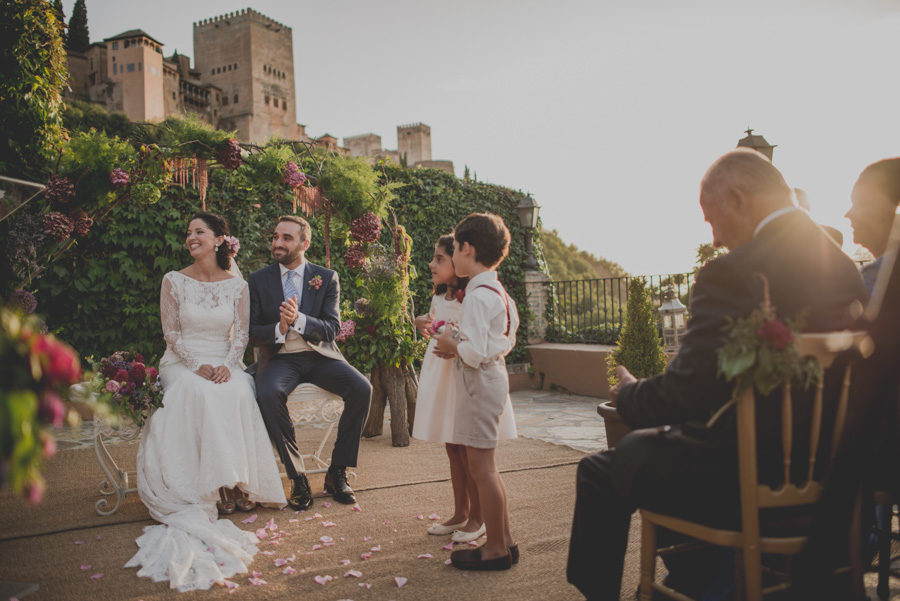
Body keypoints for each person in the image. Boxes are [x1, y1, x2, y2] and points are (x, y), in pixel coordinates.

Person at [566, 149, 868, 600]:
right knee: (661, 449)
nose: (715, 235)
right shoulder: (845, 268)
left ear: (738, 198)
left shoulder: (731, 273)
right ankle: (701, 582)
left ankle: (652, 588)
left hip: (743, 477)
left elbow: (686, 393)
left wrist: (630, 394)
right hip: (829, 471)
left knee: (602, 469)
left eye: (711, 218)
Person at [126, 212, 287, 592]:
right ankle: (216, 488)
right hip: (183, 362)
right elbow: (171, 334)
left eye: (199, 232)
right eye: (188, 233)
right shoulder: (173, 281)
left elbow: (242, 335)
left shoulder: (238, 285)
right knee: (197, 392)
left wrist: (228, 366)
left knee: (238, 390)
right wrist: (198, 366)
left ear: (219, 239)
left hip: (224, 361)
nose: (191, 237)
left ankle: (236, 484)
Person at [248, 215, 373, 511]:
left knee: (362, 388)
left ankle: (337, 472)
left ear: (305, 243)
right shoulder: (257, 279)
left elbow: (331, 329)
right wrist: (279, 327)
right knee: (267, 393)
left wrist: (299, 320)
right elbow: (251, 333)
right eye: (276, 236)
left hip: (319, 356)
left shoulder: (326, 277)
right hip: (279, 358)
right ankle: (297, 476)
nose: (278, 243)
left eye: (286, 238)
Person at [412, 234, 517, 543]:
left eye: (442, 258)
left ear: (462, 257)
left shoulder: (474, 297)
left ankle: (479, 520)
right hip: (446, 373)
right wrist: (427, 325)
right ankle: (462, 513)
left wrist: (453, 342)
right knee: (453, 447)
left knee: (475, 457)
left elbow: (476, 341)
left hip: (467, 375)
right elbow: (442, 330)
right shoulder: (446, 297)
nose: (433, 263)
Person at [433, 213, 521, 571]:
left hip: (478, 382)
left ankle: (496, 549)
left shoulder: (477, 297)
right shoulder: (497, 291)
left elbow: (472, 352)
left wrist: (450, 341)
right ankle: (506, 541)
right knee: (487, 467)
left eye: (453, 249)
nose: (452, 256)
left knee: (482, 468)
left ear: (467, 249)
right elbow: (507, 338)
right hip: (492, 378)